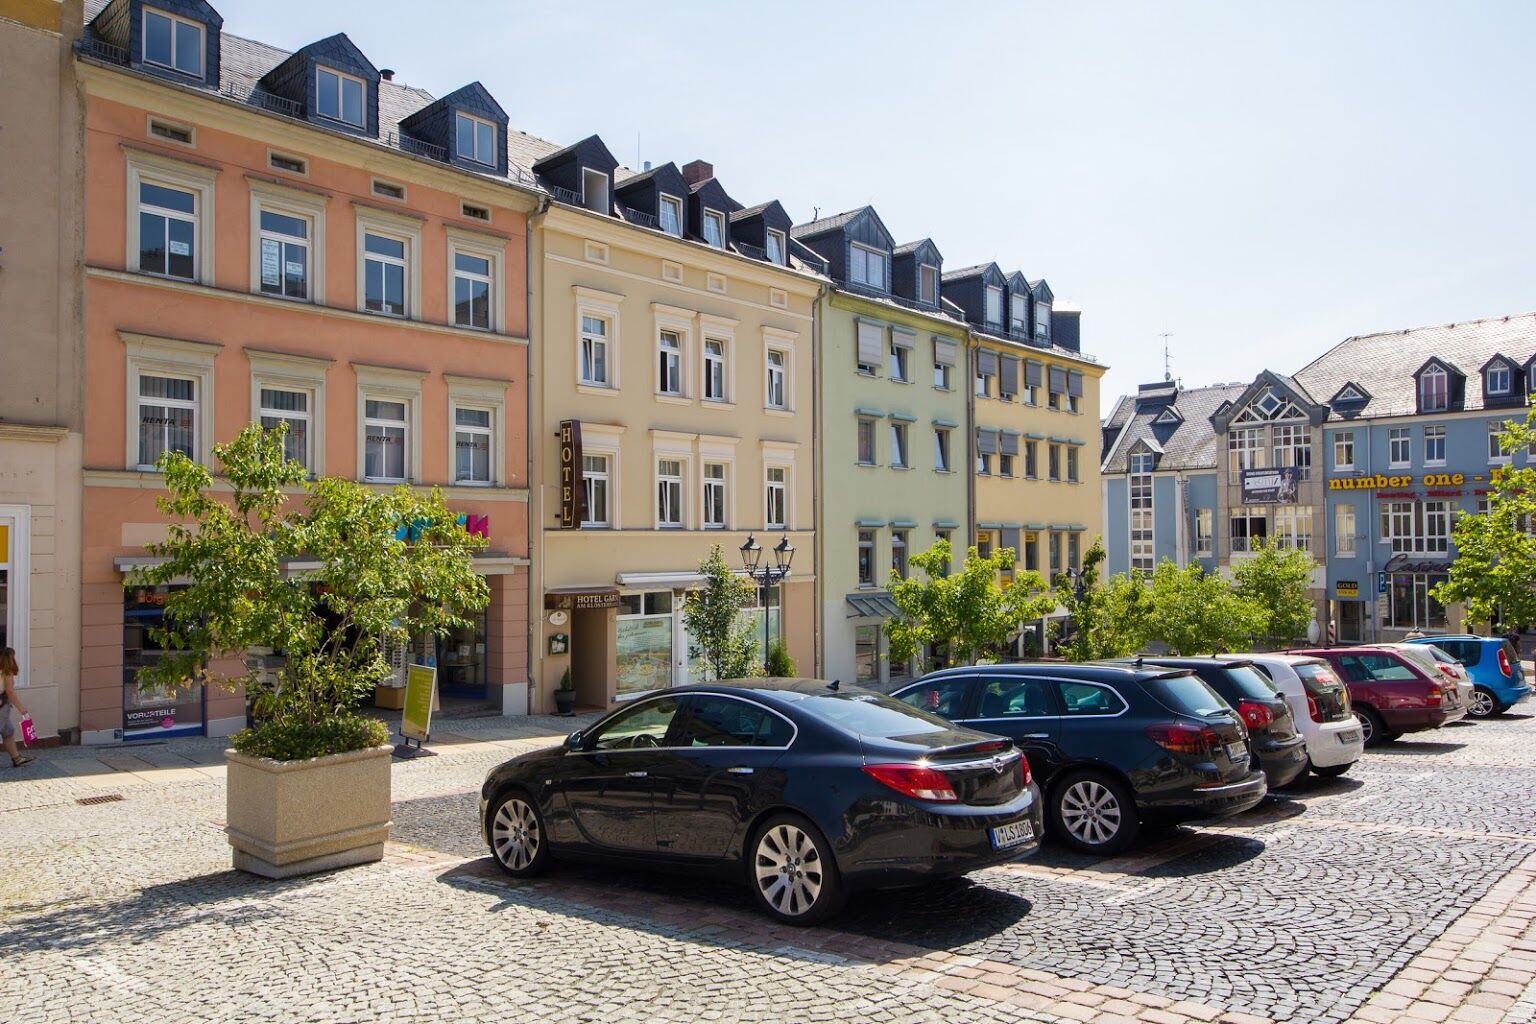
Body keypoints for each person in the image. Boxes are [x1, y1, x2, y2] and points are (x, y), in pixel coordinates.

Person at [1, 647, 33, 767]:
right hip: (1, 706)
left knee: (8, 731)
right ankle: (16, 758)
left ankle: (16, 758)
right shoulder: (6, 671)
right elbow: (10, 691)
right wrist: (22, 709)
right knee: (6, 730)